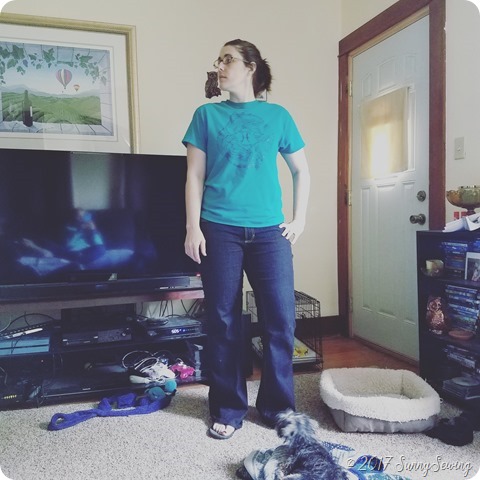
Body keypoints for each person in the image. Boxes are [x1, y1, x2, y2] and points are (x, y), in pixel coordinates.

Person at [182, 39, 310, 440]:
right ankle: (228, 408)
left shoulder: (278, 116)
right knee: (222, 321)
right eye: (218, 60)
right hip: (219, 228)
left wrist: (300, 219)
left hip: (270, 232)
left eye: (228, 59)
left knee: (281, 320)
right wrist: (192, 227)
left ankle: (277, 407)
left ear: (250, 67)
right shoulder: (206, 115)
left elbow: (301, 170)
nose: (219, 66)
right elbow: (194, 176)